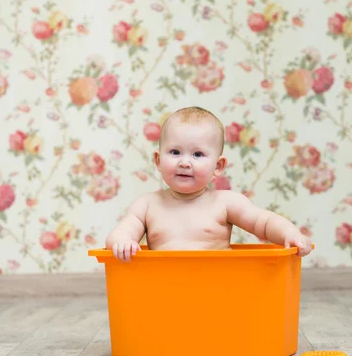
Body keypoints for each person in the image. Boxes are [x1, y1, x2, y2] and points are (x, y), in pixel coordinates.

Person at [105, 106, 313, 260]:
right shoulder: (147, 205)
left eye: (198, 154)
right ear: (158, 160)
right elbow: (121, 232)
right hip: (166, 290)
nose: (185, 162)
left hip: (217, 289)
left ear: (218, 166)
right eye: (175, 152)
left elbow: (264, 223)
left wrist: (290, 233)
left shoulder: (226, 203)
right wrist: (122, 242)